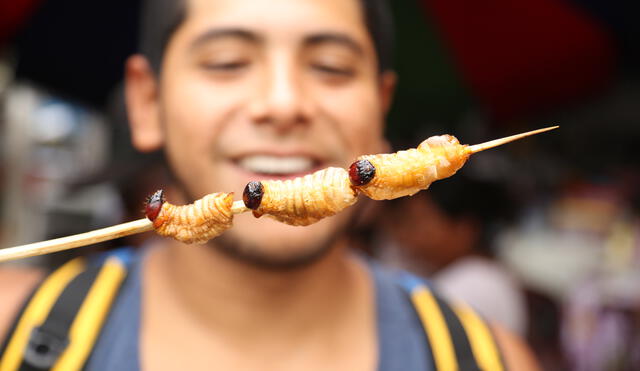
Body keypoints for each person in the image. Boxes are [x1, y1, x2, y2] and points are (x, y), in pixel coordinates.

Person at [0, 0, 540, 369]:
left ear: (380, 108)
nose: (283, 104)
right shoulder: (13, 329)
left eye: (330, 67)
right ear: (148, 103)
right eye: (228, 62)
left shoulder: (490, 358)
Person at [376, 174, 528, 336]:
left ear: (464, 229)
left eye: (418, 222)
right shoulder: (475, 274)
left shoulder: (476, 281)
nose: (406, 235)